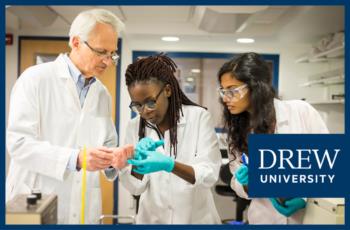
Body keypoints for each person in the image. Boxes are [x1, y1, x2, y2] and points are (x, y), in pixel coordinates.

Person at [6, 9, 124, 224]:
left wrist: (114, 158)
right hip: (35, 200)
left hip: (83, 208)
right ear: (76, 42)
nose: (108, 61)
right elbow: (19, 144)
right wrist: (75, 159)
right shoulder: (35, 79)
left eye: (112, 54)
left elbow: (106, 142)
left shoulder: (102, 94)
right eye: (101, 52)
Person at [217, 52, 329, 224]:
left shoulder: (300, 111)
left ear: (256, 87)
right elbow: (236, 181)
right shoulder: (239, 130)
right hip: (263, 218)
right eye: (223, 91)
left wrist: (303, 196)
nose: (225, 98)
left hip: (307, 218)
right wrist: (248, 184)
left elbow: (329, 165)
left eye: (232, 91)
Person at [116, 53, 222, 224]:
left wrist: (169, 165)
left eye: (150, 102)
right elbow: (135, 188)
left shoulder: (199, 117)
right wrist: (137, 162)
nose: (144, 111)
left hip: (196, 220)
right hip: (153, 219)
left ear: (167, 90)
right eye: (137, 105)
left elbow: (209, 174)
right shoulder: (135, 126)